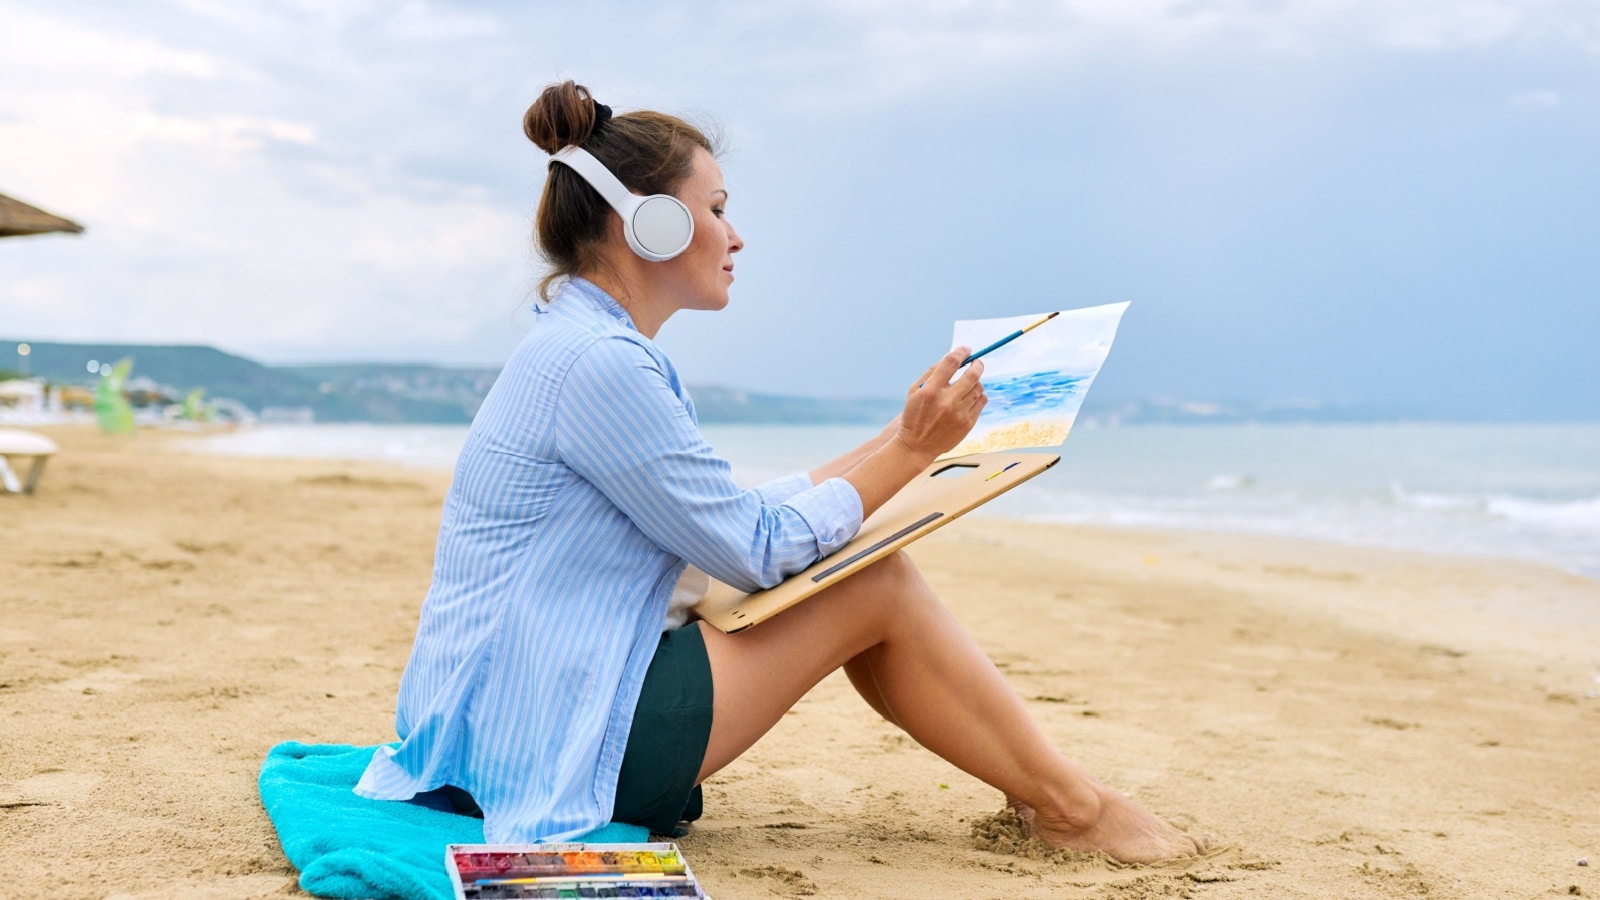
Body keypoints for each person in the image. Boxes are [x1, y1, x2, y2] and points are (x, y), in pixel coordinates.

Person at [356, 80, 1205, 865]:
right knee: (876, 583)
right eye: (718, 209)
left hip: (502, 723)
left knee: (855, 566)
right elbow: (753, 548)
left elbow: (725, 516)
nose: (736, 236)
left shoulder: (581, 345)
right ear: (650, 224)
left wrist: (899, 439)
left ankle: (1053, 798)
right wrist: (911, 455)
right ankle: (1073, 808)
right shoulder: (603, 366)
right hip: (547, 745)